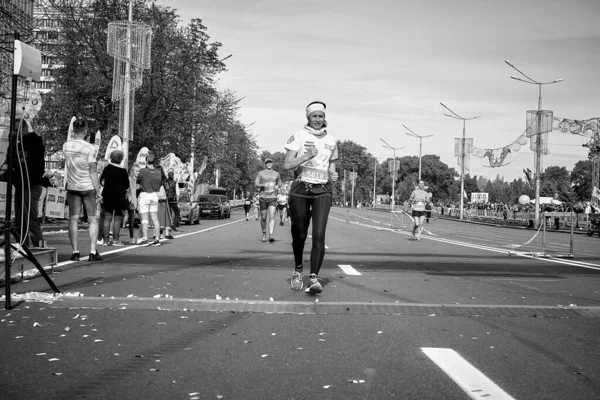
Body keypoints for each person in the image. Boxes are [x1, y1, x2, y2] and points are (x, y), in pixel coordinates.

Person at [284, 101, 339, 294]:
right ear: (308, 118)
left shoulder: (332, 140)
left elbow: (331, 166)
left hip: (323, 190)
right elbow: (287, 165)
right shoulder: (298, 136)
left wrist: (334, 174)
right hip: (300, 188)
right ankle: (299, 268)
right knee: (299, 234)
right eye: (314, 116)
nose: (317, 119)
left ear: (325, 118)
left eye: (320, 116)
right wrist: (306, 156)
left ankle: (314, 277)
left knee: (319, 234)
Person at [0, 119, 45, 248]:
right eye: (13, 130)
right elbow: (10, 160)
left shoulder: (33, 141)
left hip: (31, 185)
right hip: (20, 185)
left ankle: (38, 246)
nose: (15, 133)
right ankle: (23, 247)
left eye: (17, 130)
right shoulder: (15, 145)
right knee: (20, 221)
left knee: (30, 219)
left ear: (24, 128)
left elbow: (36, 164)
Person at [62, 118, 102, 261]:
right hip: (88, 187)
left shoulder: (66, 145)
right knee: (92, 219)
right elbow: (93, 171)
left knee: (73, 219)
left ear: (73, 130)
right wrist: (98, 191)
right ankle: (92, 251)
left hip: (73, 187)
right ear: (85, 131)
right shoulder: (89, 148)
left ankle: (75, 252)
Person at [136, 151, 168, 246]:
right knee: (155, 218)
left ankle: (145, 238)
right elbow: (161, 183)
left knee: (145, 218)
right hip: (154, 194)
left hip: (145, 194)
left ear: (146, 161)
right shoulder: (158, 172)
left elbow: (138, 181)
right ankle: (157, 239)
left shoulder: (143, 171)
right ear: (154, 162)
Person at [99, 150, 129, 246]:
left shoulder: (108, 168)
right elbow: (127, 185)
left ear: (111, 158)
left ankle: (105, 240)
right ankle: (116, 240)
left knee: (107, 218)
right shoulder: (123, 170)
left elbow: (101, 180)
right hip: (119, 196)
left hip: (107, 194)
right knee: (117, 218)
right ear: (121, 159)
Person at [254, 158, 282, 242]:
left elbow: (280, 182)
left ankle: (271, 235)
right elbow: (256, 183)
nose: (269, 164)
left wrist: (278, 186)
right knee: (263, 217)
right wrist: (263, 185)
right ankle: (264, 232)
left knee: (272, 215)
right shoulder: (261, 173)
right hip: (263, 197)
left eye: (270, 162)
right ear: (265, 164)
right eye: (267, 162)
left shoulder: (276, 173)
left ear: (272, 163)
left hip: (272, 197)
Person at [123, 163, 140, 245]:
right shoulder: (129, 179)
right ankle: (132, 237)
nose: (138, 172)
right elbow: (127, 191)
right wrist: (130, 200)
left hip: (137, 202)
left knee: (139, 221)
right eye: (136, 171)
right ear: (132, 171)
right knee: (131, 220)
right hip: (131, 202)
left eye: (138, 171)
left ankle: (137, 237)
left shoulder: (138, 180)